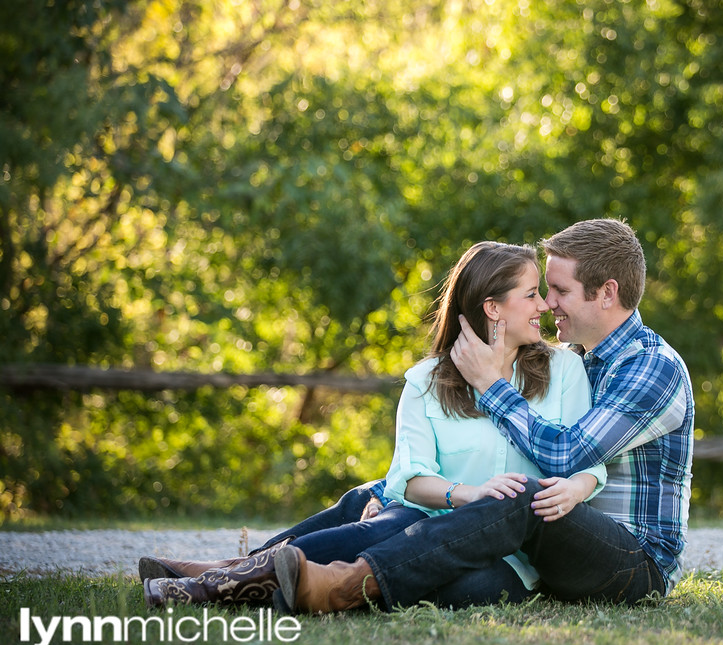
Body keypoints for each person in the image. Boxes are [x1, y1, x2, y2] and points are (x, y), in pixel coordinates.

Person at [140, 241, 606, 609]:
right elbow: (408, 477)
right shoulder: (428, 381)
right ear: (492, 308)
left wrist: (577, 485)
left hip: (510, 555)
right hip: (425, 521)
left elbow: (584, 458)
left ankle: (237, 576)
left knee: (474, 585)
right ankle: (226, 580)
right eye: (531, 294)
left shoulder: (563, 372)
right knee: (381, 528)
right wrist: (469, 495)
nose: (544, 305)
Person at [274, 218, 694, 614]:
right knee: (380, 494)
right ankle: (253, 569)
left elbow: (568, 454)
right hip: (558, 539)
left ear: (606, 293)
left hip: (635, 560)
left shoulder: (652, 366)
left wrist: (492, 386)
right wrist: (393, 492)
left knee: (518, 498)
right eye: (540, 291)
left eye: (559, 291)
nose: (548, 305)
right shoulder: (580, 358)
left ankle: (349, 583)